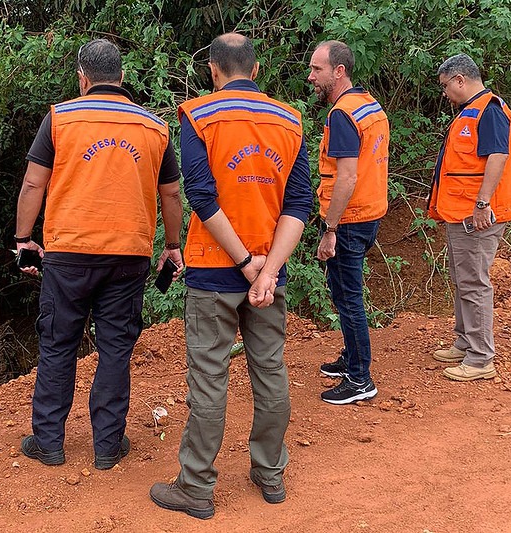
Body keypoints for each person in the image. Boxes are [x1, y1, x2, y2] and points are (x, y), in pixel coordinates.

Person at [150, 33, 312, 519]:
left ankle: (196, 486)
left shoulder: (199, 114)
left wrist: (243, 263)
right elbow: (299, 203)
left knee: (208, 380)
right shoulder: (291, 120)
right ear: (256, 69)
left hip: (217, 273)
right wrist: (268, 270)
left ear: (214, 71)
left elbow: (200, 194)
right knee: (270, 370)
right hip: (269, 271)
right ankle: (270, 472)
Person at [15, 38, 183, 470]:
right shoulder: (153, 127)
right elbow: (171, 193)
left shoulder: (60, 118)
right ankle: (107, 446)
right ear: (122, 78)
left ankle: (49, 442)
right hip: (129, 256)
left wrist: (23, 241)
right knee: (114, 350)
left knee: (57, 345)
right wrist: (172, 246)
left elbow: (34, 184)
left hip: (68, 253)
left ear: (82, 78)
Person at [307, 40, 389, 405]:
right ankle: (351, 359)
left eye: (317, 70)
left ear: (339, 71)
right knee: (344, 294)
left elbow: (346, 178)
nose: (311, 77)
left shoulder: (342, 114)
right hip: (370, 213)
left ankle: (360, 379)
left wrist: (330, 229)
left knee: (349, 299)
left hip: (349, 220)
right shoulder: (369, 105)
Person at [428, 53, 511, 381]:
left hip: (477, 216)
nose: (444, 93)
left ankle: (480, 358)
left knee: (474, 283)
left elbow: (497, 156)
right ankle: (466, 341)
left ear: (460, 80)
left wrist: (482, 204)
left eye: (445, 86)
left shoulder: (489, 110)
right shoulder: (472, 111)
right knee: (463, 279)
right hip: (461, 213)